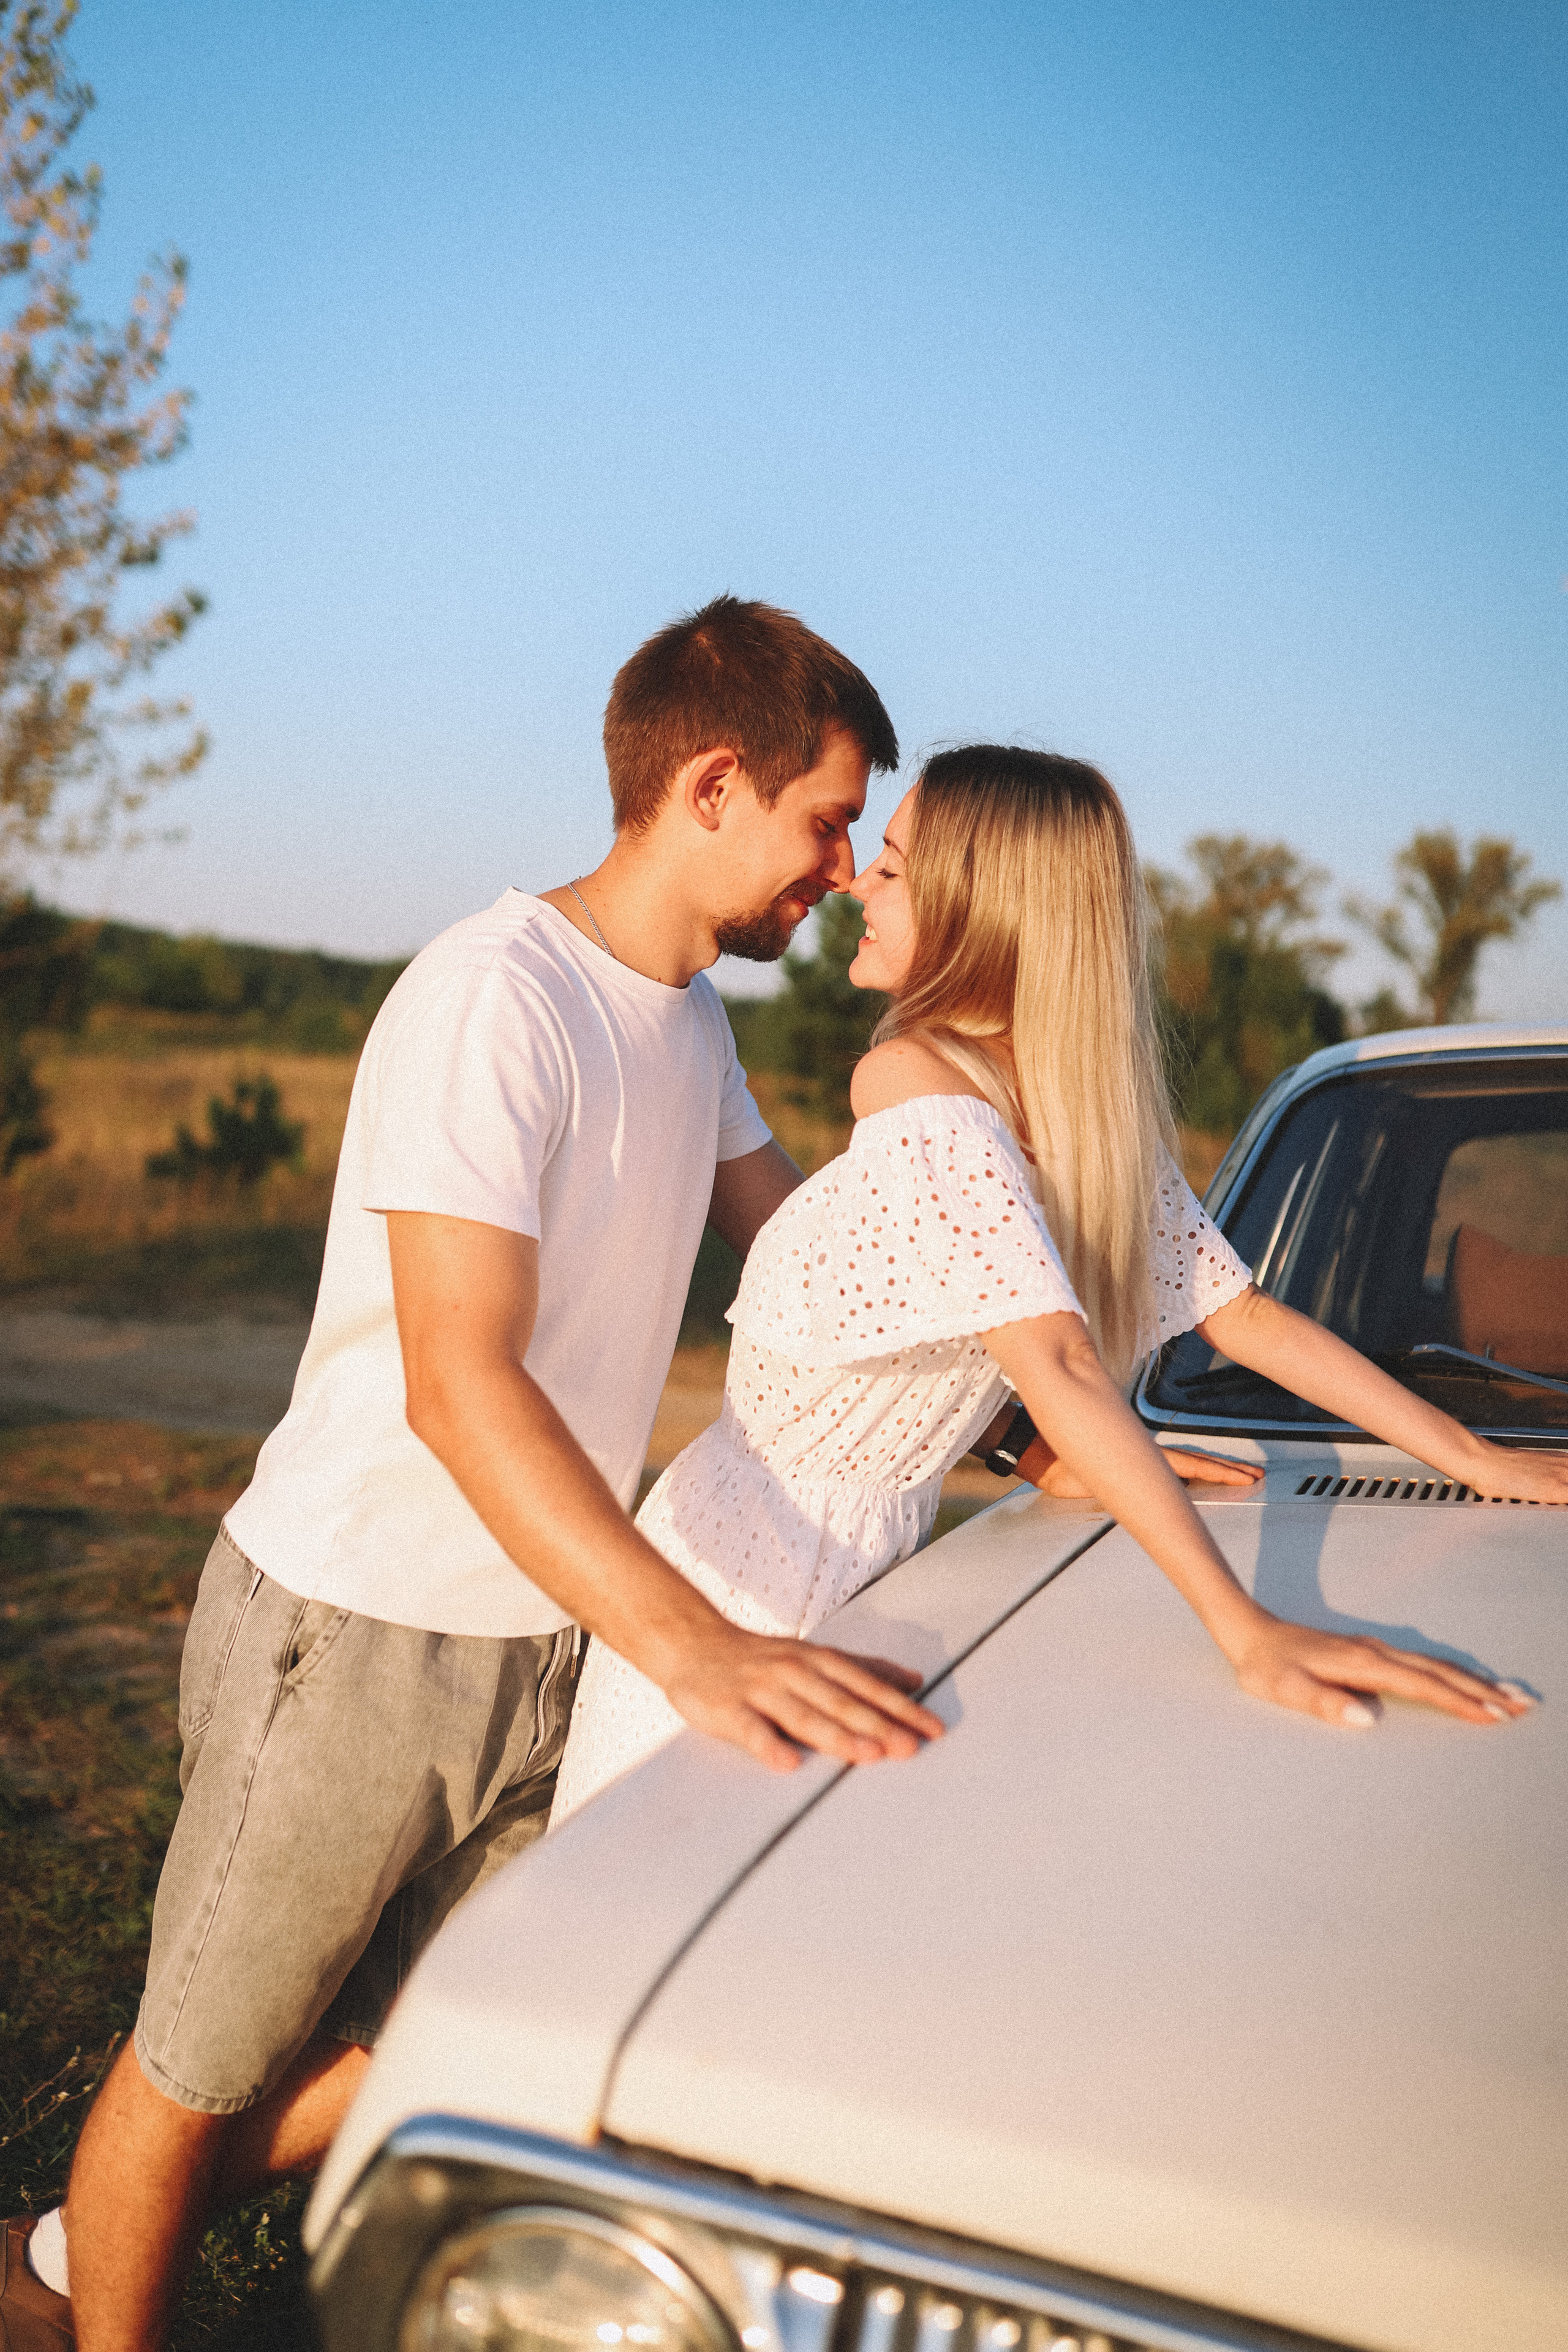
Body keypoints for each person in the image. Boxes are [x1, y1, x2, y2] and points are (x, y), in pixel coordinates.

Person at [7, 598, 949, 2352]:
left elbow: (810, 1257)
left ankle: (66, 2248)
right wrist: (693, 1648)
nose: (840, 870)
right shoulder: (492, 998)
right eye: (828, 822)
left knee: (434, 2037)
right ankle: (89, 2279)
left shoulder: (691, 1026)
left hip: (550, 1634)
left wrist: (1041, 1398)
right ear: (713, 785)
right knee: (199, 2067)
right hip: (356, 1628)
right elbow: (459, 1385)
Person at [552, 745, 1560, 1821]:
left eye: (893, 864)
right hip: (733, 1581)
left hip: (864, 1570)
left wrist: (1470, 1457)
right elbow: (1061, 1359)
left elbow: (1245, 1318)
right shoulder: (912, 1083)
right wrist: (1247, 1628)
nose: (856, 883)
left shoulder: (1066, 1113)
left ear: (984, 908)